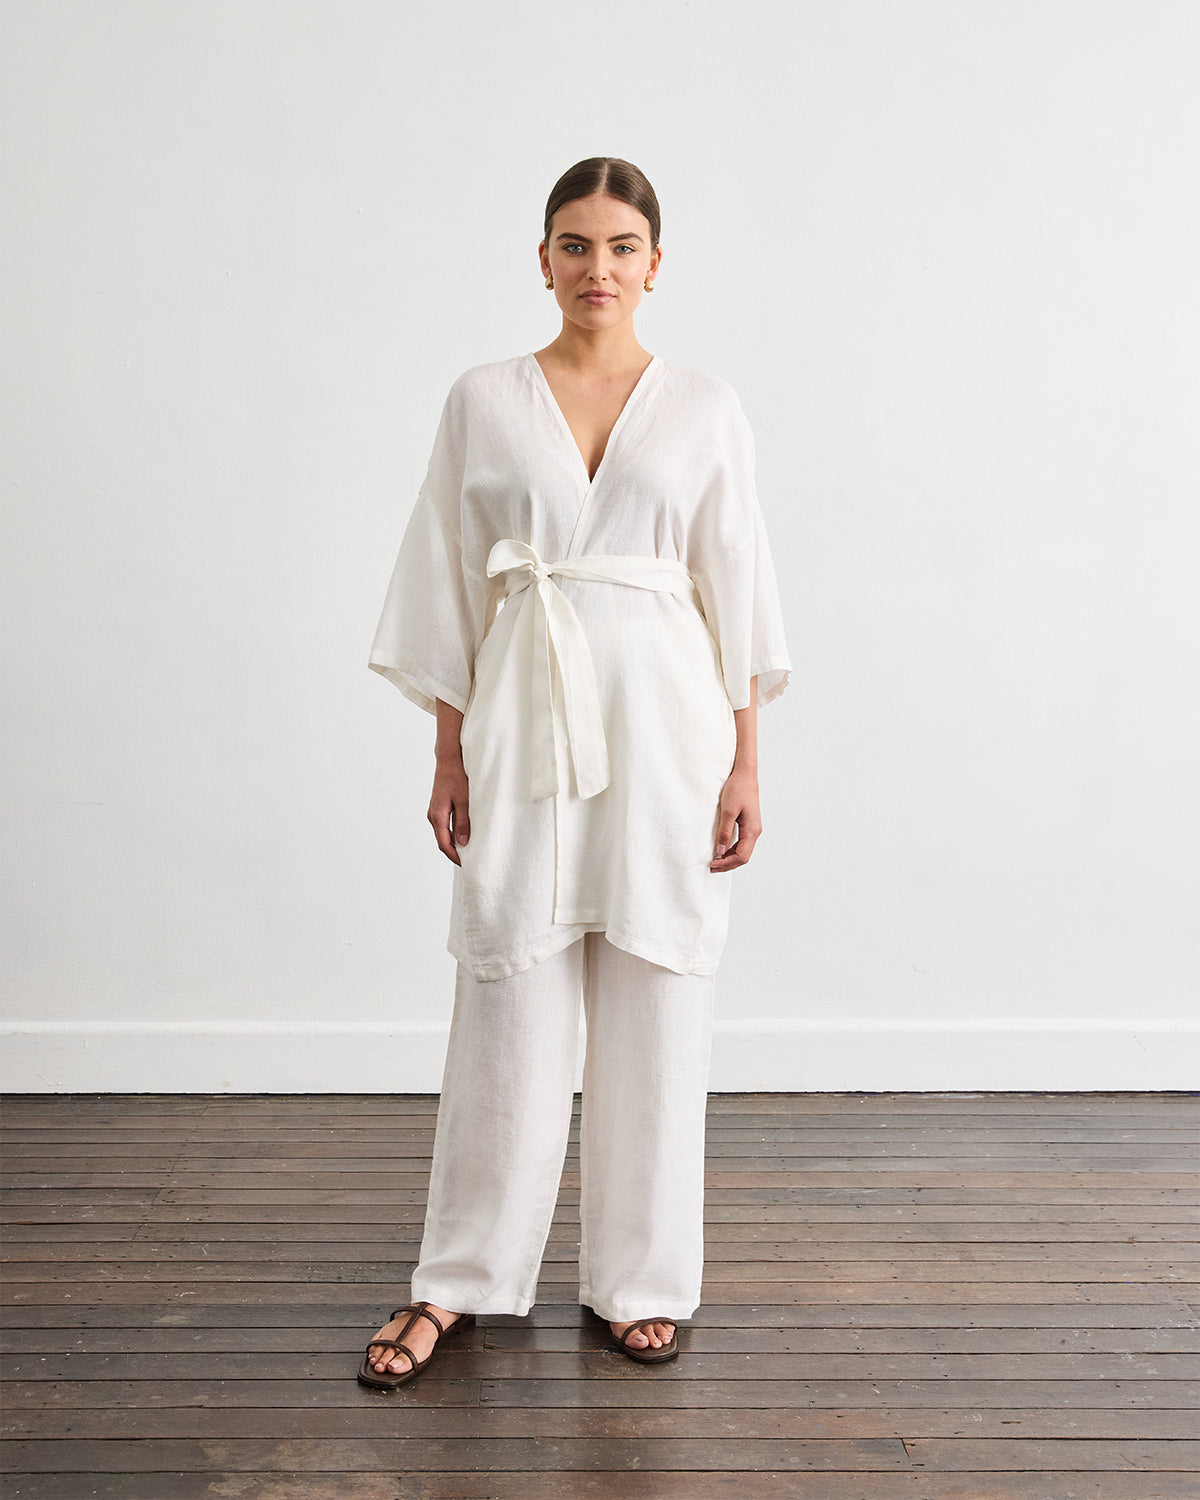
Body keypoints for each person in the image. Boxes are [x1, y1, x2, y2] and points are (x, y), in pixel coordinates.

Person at [359, 157, 791, 1388]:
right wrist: (446, 748)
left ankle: (641, 1282)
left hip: (669, 728)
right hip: (521, 720)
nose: (597, 267)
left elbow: (736, 587)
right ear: (541, 259)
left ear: (656, 264)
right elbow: (451, 576)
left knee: (658, 993)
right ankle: (457, 1280)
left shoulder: (704, 406)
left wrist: (746, 763)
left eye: (620, 246)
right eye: (573, 244)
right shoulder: (484, 400)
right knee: (509, 994)